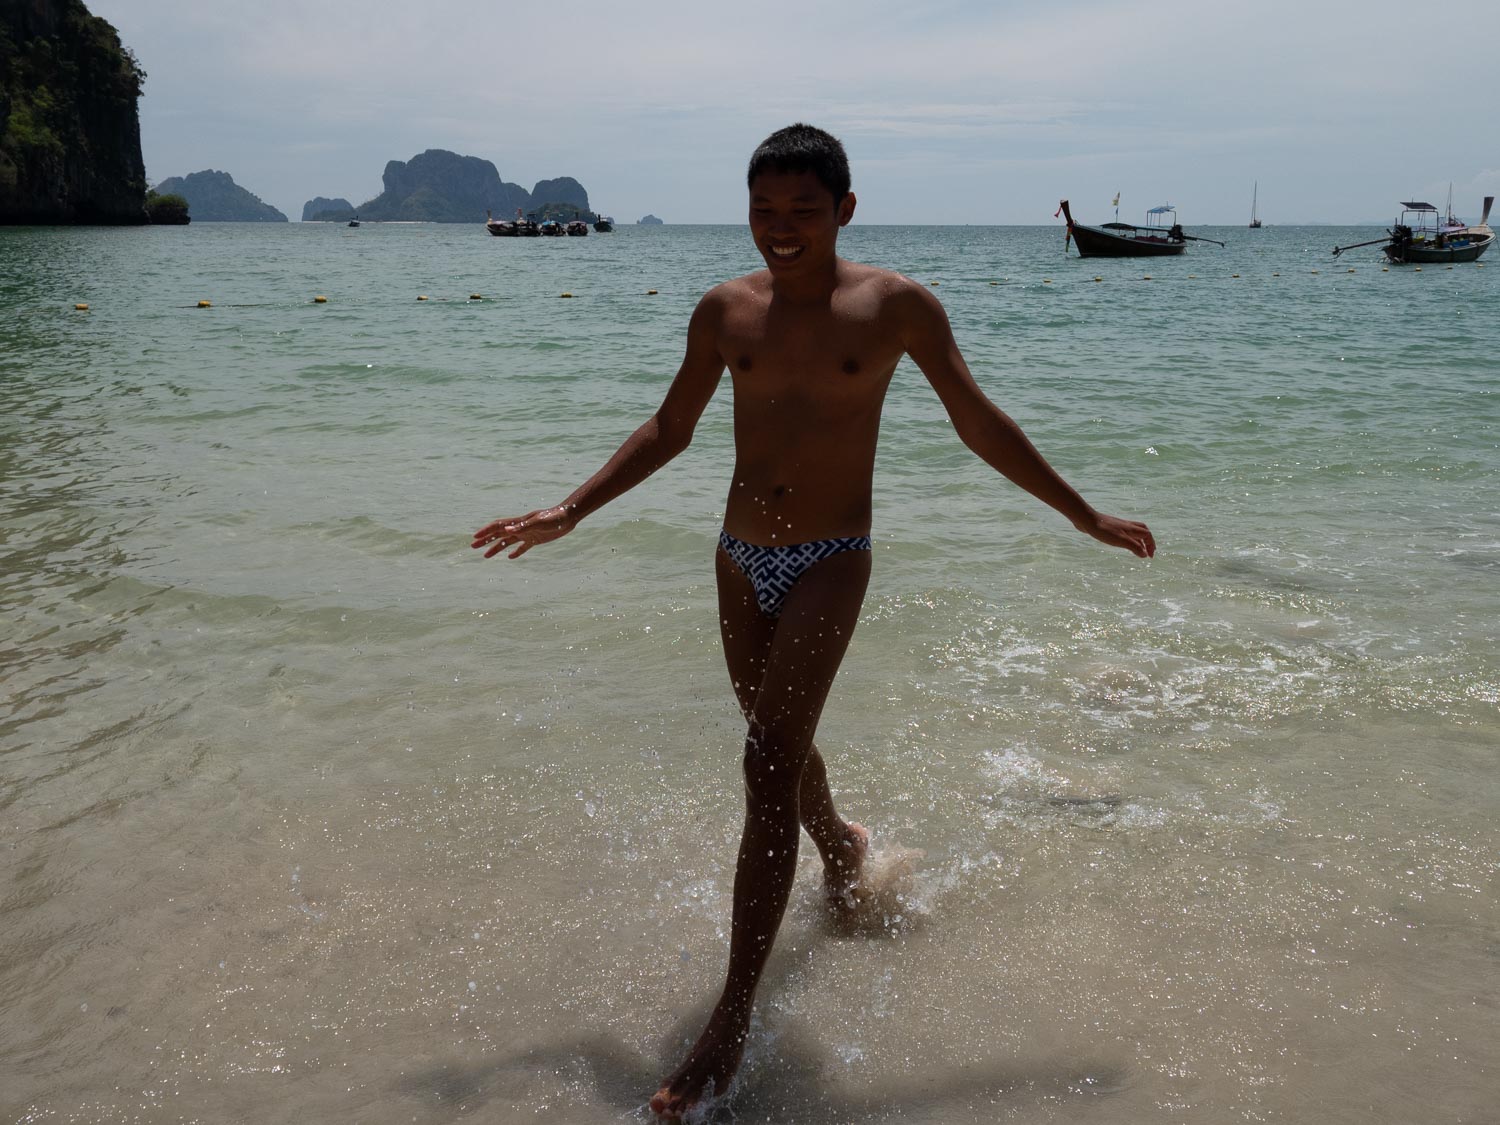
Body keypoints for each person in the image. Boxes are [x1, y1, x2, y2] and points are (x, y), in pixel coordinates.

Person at [472, 123, 1155, 1119]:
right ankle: (840, 843)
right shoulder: (725, 310)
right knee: (777, 743)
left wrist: (1080, 512)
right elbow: (671, 426)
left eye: (802, 209)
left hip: (832, 557)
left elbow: (976, 419)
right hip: (738, 556)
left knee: (764, 762)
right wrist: (569, 510)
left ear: (845, 209)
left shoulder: (896, 307)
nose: (780, 228)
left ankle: (730, 1018)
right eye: (763, 210)